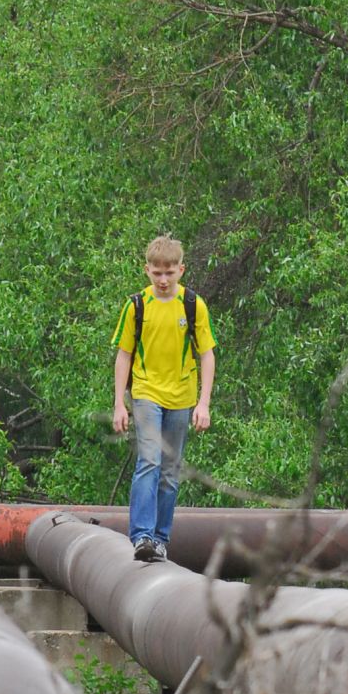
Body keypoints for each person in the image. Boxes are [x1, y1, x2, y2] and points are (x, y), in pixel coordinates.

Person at [112, 236, 215, 562]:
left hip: (182, 396)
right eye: (157, 273)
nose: (163, 279)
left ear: (181, 270)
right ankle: (141, 535)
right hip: (146, 393)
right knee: (150, 461)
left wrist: (204, 403)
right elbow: (123, 355)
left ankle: (159, 539)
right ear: (147, 271)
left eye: (169, 272)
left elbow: (207, 355)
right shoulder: (137, 305)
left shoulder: (193, 304)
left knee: (170, 470)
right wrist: (119, 403)